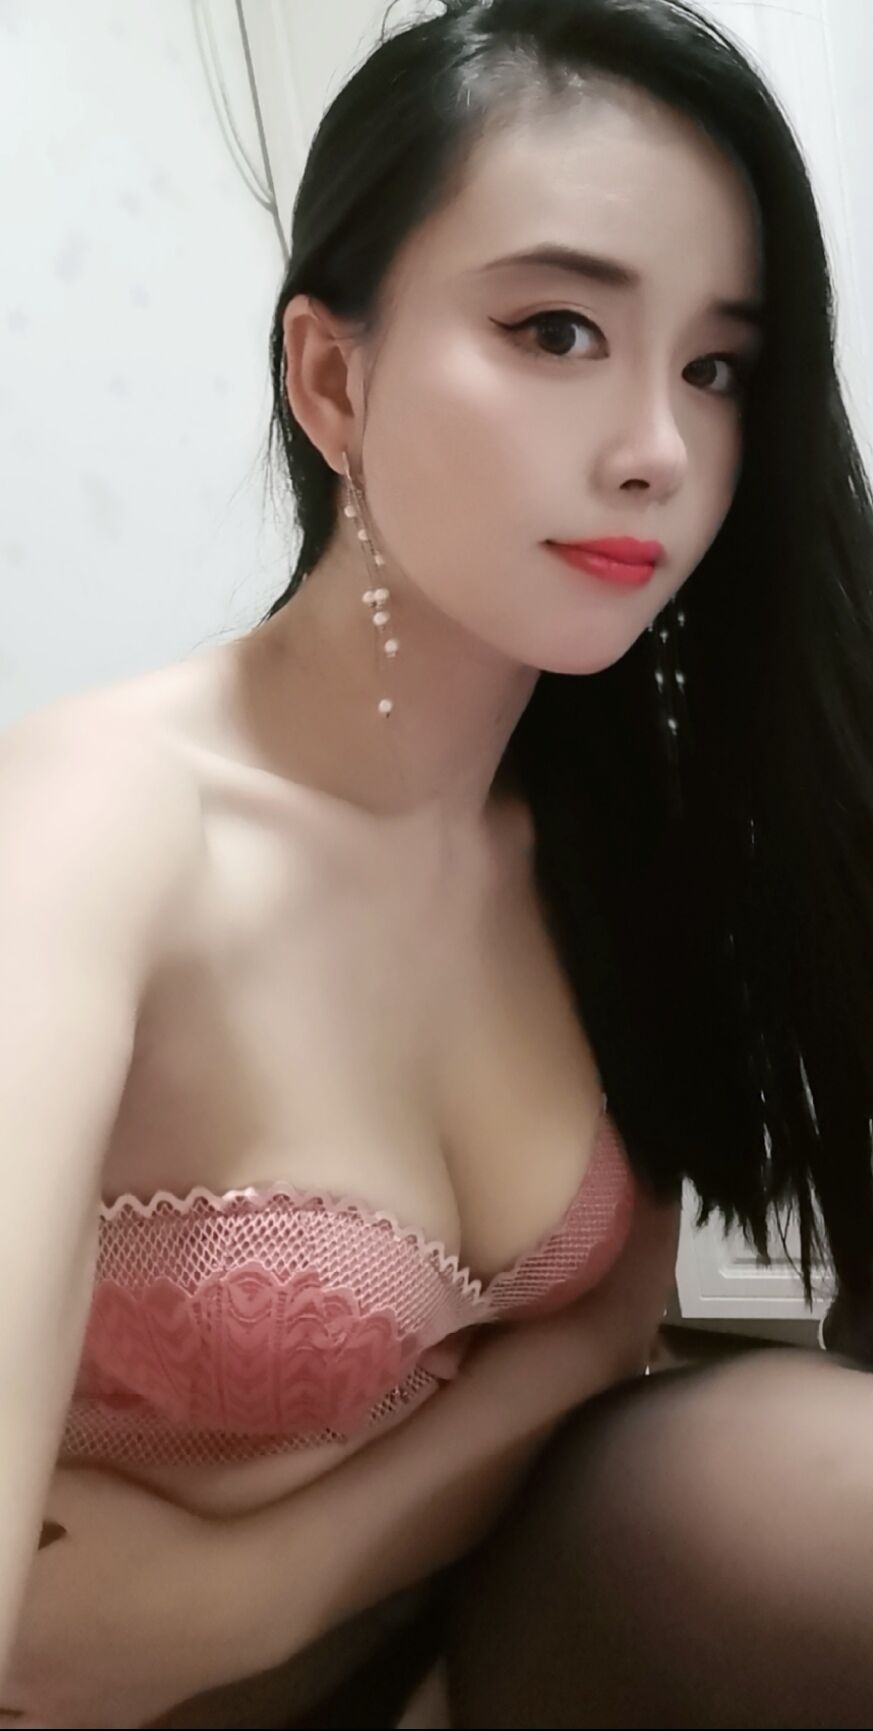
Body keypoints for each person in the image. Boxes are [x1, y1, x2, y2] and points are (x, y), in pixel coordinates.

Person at [2, 0, 873, 1724]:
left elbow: (599, 1322)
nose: (658, 447)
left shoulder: (607, 833)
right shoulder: (96, 824)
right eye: (556, 329)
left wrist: (255, 1594)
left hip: (453, 1622)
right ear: (331, 378)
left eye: (714, 367)